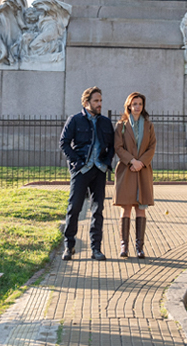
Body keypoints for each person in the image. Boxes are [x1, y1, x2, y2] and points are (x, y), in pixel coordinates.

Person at [59, 86, 115, 261]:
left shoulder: (105, 122)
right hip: (81, 170)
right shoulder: (74, 120)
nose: (99, 104)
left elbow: (112, 146)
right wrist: (76, 161)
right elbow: (64, 143)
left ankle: (96, 249)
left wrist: (106, 163)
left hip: (99, 171)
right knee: (74, 207)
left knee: (98, 210)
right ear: (86, 102)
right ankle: (69, 246)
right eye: (96, 101)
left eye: (100, 101)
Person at [113, 92, 157, 258]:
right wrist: (132, 161)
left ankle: (140, 247)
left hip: (143, 171)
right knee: (126, 209)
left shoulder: (149, 125)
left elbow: (152, 147)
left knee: (141, 208)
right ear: (129, 106)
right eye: (134, 103)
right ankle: (124, 247)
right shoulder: (121, 125)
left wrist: (141, 163)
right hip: (127, 171)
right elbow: (118, 147)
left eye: (140, 103)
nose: (137, 106)